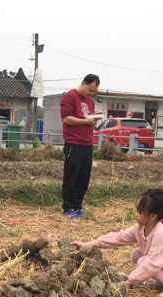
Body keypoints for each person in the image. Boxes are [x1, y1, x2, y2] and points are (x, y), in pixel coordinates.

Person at [71, 189, 163, 297]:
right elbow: (117, 238)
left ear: (152, 216)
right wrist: (85, 244)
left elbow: (152, 265)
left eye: (140, 212)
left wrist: (130, 281)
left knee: (144, 261)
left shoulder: (161, 234)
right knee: (136, 254)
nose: (136, 215)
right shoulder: (140, 228)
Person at [60, 74, 100, 219]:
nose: (91, 94)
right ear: (83, 83)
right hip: (74, 142)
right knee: (72, 176)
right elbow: (66, 118)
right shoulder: (70, 96)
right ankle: (68, 207)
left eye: (94, 92)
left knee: (84, 178)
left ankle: (78, 206)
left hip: (87, 143)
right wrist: (86, 121)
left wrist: (94, 119)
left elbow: (89, 119)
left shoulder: (90, 102)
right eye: (90, 90)